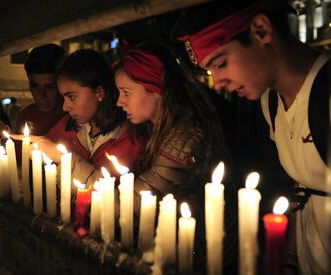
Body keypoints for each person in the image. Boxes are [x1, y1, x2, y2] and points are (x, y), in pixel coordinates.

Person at [172, 1, 331, 274]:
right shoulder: (270, 102)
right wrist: (291, 258)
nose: (217, 82)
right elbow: (303, 184)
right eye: (210, 72)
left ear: (261, 30)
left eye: (220, 64)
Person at [115, 42, 235, 272]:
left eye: (126, 93)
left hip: (203, 254)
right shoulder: (153, 129)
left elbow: (146, 194)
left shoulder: (187, 136)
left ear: (156, 89)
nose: (120, 101)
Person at [14, 49, 142, 185]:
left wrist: (63, 158)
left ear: (99, 93)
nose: (65, 107)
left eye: (72, 97)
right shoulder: (68, 126)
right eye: (63, 97)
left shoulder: (131, 139)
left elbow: (116, 195)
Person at [13, 44, 65, 135]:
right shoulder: (25, 116)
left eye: (50, 88)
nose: (41, 95)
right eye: (35, 86)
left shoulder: (77, 116)